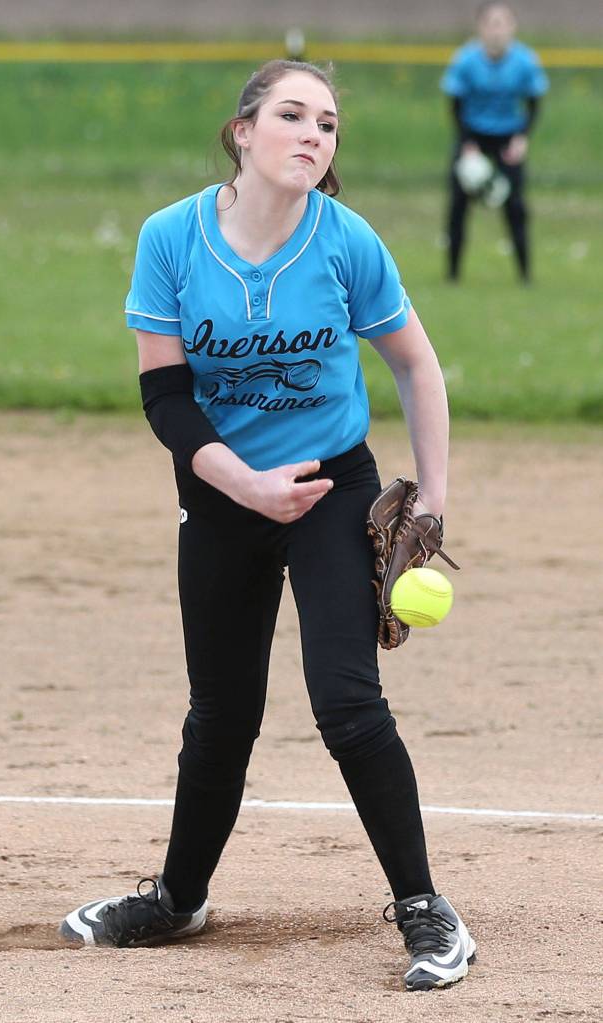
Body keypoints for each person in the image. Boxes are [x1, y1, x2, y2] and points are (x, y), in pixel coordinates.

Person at [60, 59, 476, 992]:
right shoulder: (171, 237)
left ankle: (424, 906)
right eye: (293, 114)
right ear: (242, 131)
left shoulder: (345, 240)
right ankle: (179, 897)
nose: (314, 134)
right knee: (221, 716)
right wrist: (242, 484)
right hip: (219, 495)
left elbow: (417, 364)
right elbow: (166, 398)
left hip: (332, 492)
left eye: (327, 123)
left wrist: (435, 498)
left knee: (347, 702)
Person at [441, 2, 549, 282]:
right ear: (481, 27)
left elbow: (534, 104)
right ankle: (453, 275)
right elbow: (455, 104)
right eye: (491, 23)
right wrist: (466, 142)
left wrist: (521, 138)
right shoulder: (465, 59)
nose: (496, 30)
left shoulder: (525, 61)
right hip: (473, 135)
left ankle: (525, 275)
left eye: (502, 23)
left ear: (512, 27)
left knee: (515, 206)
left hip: (507, 138)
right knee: (458, 204)